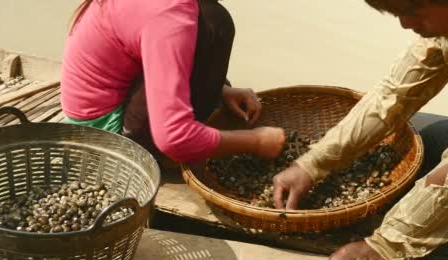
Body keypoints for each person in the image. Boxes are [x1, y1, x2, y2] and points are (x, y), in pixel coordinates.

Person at [272, 0, 448, 260]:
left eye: (413, 11)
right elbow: (393, 96)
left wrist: (386, 243)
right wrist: (313, 163)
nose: (405, 24)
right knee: (433, 141)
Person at [61, 0, 286, 164]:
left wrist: (220, 89)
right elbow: (173, 137)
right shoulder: (171, 12)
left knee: (205, 18)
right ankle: (152, 153)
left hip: (97, 109)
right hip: (105, 138)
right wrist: (256, 141)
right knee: (215, 23)